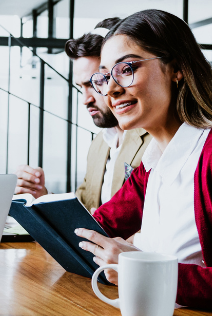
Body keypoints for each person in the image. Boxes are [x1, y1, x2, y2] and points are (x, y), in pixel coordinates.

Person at [75, 9, 212, 309]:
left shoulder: (208, 153)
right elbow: (92, 228)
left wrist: (137, 267)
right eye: (104, 76)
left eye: (127, 68)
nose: (110, 88)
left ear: (175, 68)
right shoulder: (151, 165)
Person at [14, 18, 152, 212]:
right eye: (81, 87)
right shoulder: (99, 144)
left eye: (94, 84)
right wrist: (42, 196)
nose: (85, 99)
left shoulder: (157, 139)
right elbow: (87, 209)